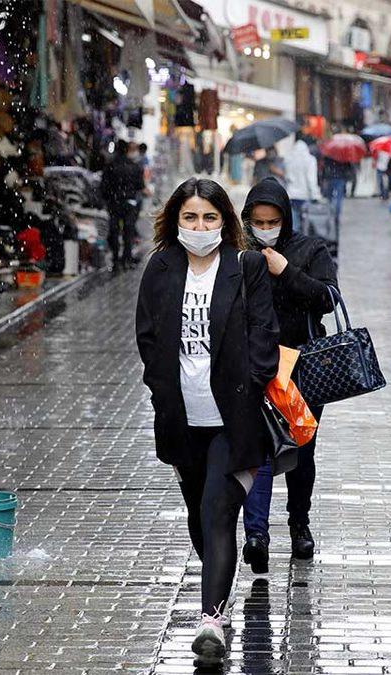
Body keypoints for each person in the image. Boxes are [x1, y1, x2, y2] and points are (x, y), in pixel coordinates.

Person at [135, 177, 279, 667]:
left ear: (225, 221)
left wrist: (254, 382)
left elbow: (265, 332)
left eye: (210, 217)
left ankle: (210, 623)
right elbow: (148, 336)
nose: (200, 227)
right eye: (190, 217)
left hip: (233, 419)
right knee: (202, 522)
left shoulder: (247, 266)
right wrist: (160, 391)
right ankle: (221, 585)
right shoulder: (161, 268)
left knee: (219, 512)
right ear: (176, 221)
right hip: (182, 420)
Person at [238, 178, 338, 571]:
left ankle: (300, 524)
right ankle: (256, 535)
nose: (265, 228)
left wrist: (285, 270)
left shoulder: (309, 249)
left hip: (302, 366)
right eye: (257, 221)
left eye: (273, 220)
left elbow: (328, 298)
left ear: (286, 218)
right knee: (258, 448)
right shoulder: (238, 251)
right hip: (255, 365)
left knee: (300, 450)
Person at [100, 140, 145, 271]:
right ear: (127, 150)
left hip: (114, 203)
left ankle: (115, 259)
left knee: (114, 230)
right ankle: (127, 258)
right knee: (128, 231)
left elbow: (104, 186)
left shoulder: (110, 166)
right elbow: (140, 186)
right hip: (130, 202)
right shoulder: (134, 166)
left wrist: (108, 198)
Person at [284, 138, 321, 234]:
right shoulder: (310, 160)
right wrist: (315, 195)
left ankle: (295, 245)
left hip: (291, 195)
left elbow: (287, 177)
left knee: (294, 225)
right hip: (305, 196)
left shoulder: (288, 160)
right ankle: (304, 246)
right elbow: (311, 179)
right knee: (306, 225)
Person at [320, 156, 356, 231]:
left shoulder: (328, 154)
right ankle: (336, 216)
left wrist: (323, 177)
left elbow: (325, 166)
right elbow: (348, 166)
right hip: (340, 177)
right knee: (339, 199)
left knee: (329, 198)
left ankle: (329, 215)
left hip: (330, 177)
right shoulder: (342, 154)